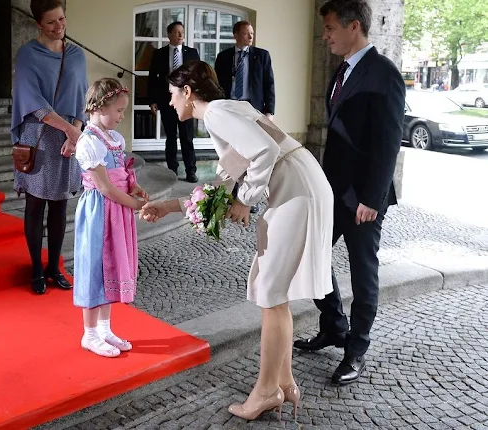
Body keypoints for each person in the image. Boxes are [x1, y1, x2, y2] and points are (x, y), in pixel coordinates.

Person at [140, 61, 334, 421]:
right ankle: (284, 382)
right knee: (275, 294)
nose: (169, 103)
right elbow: (221, 187)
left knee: (271, 293)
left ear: (187, 92)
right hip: (302, 186)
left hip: (296, 191)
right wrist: (170, 206)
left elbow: (265, 152)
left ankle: (265, 391)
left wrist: (246, 198)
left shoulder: (215, 112)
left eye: (171, 94)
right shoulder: (229, 108)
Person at [293, 0, 406, 386]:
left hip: (363, 199)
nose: (325, 36)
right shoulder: (343, 70)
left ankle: (356, 348)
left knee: (363, 273)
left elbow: (389, 142)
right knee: (312, 253)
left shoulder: (384, 73)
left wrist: (372, 200)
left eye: (329, 29)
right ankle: (334, 326)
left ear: (353, 26)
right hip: (334, 190)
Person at [11, 0, 87, 295]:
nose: (60, 26)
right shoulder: (28, 54)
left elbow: (82, 97)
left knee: (60, 204)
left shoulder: (77, 55)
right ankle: (35, 269)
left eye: (62, 19)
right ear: (38, 24)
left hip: (71, 136)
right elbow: (33, 101)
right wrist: (69, 129)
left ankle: (54, 267)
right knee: (35, 204)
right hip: (39, 135)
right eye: (52, 22)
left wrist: (76, 131)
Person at [73, 78, 149, 357]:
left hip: (118, 209)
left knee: (112, 268)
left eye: (123, 111)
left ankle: (104, 328)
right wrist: (136, 205)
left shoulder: (115, 139)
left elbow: (123, 176)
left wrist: (135, 187)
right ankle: (89, 333)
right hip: (100, 212)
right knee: (96, 267)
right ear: (99, 107)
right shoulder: (89, 142)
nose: (121, 116)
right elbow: (104, 186)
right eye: (118, 110)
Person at [214, 20, 275, 213]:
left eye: (252, 33)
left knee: (250, 154)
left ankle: (249, 197)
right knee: (231, 154)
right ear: (236, 35)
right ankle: (230, 194)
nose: (250, 36)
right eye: (246, 33)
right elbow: (216, 85)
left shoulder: (262, 56)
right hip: (230, 110)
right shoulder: (223, 57)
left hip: (252, 110)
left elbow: (269, 84)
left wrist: (269, 112)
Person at [148, 21, 200, 183]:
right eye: (177, 32)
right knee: (171, 136)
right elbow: (152, 79)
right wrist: (153, 100)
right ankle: (172, 170)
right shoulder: (159, 54)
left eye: (182, 32)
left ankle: (191, 171)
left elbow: (198, 77)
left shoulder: (191, 53)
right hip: (167, 101)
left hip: (185, 102)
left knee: (187, 137)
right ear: (169, 35)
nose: (180, 35)